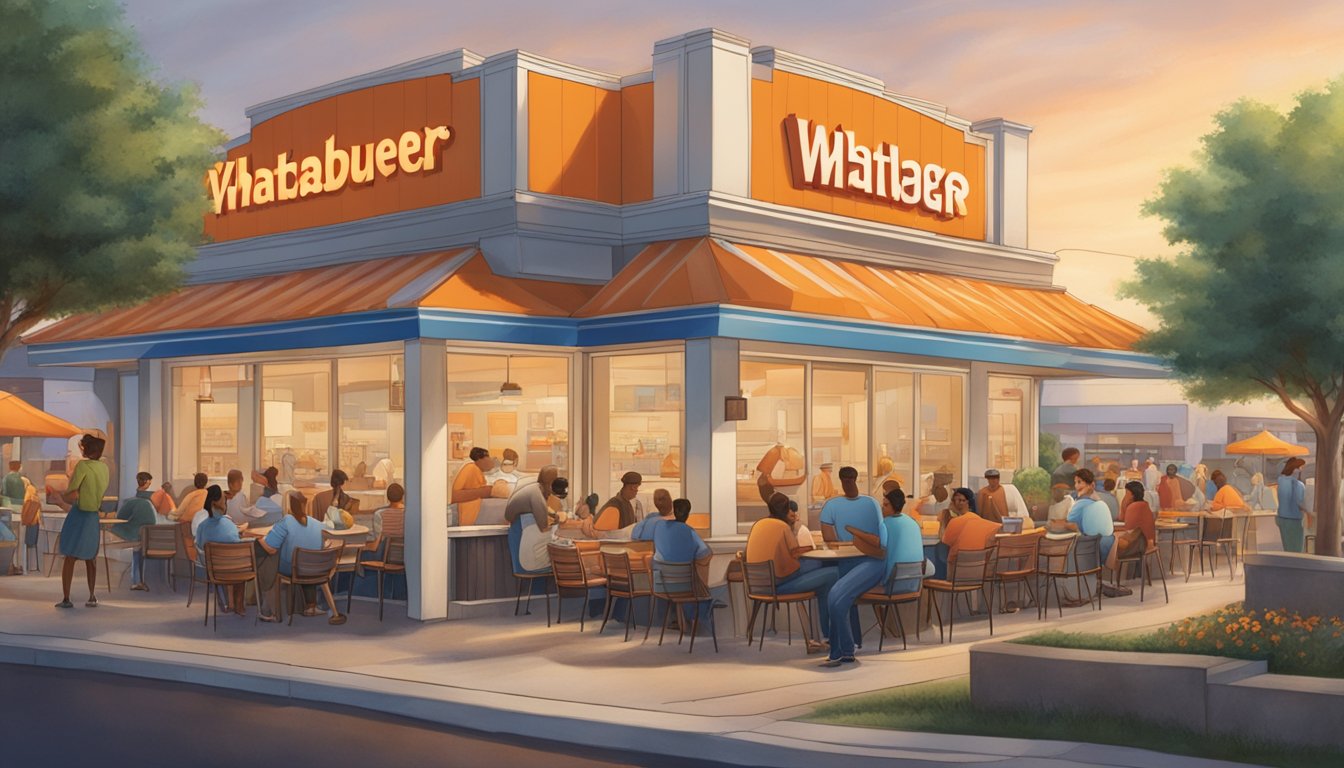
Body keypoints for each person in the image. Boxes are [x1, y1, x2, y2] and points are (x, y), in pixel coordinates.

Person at [818, 486, 913, 667]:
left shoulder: (887, 525)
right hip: (893, 575)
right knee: (837, 599)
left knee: (836, 598)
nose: (882, 508)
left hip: (880, 569)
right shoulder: (909, 523)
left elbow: (879, 549)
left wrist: (855, 534)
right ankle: (842, 651)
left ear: (893, 506)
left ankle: (843, 651)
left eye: (885, 505)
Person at [745, 493, 838, 654]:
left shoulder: (758, 525)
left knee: (822, 584)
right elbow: (795, 553)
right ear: (785, 509)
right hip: (779, 585)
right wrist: (812, 549)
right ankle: (830, 636)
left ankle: (820, 638)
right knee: (831, 571)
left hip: (759, 586)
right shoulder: (782, 527)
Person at [255, 493, 344, 624]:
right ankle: (310, 606)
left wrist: (258, 540)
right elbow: (332, 529)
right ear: (305, 505)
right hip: (314, 570)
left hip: (293, 569)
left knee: (269, 559)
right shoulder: (318, 524)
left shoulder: (286, 521)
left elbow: (271, 548)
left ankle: (271, 612)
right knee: (308, 558)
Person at [652, 498, 726, 627]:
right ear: (688, 514)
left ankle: (680, 619)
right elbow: (706, 553)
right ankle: (697, 617)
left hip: (660, 584)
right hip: (683, 587)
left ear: (673, 512)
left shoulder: (659, 527)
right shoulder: (689, 532)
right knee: (699, 568)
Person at [55, 434, 109, 609]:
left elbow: (71, 492)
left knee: (70, 556)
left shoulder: (82, 466)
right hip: (93, 516)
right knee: (90, 557)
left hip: (79, 515)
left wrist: (58, 495)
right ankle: (92, 596)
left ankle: (66, 598)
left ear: (86, 449)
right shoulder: (104, 468)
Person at [194, 485, 246, 614]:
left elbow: (200, 546)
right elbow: (236, 545)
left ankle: (226, 603)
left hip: (213, 569)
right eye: (224, 500)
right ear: (218, 503)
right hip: (233, 569)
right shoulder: (229, 524)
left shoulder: (202, 526)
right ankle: (238, 604)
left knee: (222, 565)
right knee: (239, 567)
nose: (226, 502)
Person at [1104, 481, 1156, 594]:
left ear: (1132, 494)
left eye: (1127, 493)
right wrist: (1124, 502)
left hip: (1136, 544)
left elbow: (1128, 526)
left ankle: (1106, 582)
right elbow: (1122, 518)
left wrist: (1125, 503)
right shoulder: (1143, 504)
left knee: (1107, 545)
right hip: (1140, 542)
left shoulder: (1135, 507)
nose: (1125, 495)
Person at [110, 471, 159, 591]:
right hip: (149, 536)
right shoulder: (153, 501)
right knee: (138, 550)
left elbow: (121, 518)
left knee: (137, 551)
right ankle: (138, 580)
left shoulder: (131, 502)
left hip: (136, 535)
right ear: (148, 483)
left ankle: (136, 580)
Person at [506, 465, 560, 571]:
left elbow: (545, 509)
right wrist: (558, 527)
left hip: (520, 536)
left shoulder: (535, 489)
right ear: (550, 484)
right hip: (527, 550)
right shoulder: (536, 496)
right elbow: (543, 528)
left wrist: (553, 515)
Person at [940, 488, 1000, 573]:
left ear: (968, 503)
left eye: (960, 500)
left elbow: (945, 541)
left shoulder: (955, 522)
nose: (956, 503)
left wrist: (944, 518)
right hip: (979, 574)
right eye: (954, 500)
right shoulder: (983, 522)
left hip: (956, 573)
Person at [451, 447, 494, 526]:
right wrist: (487, 491)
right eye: (488, 457)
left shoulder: (473, 468)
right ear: (480, 459)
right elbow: (456, 495)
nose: (490, 460)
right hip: (463, 507)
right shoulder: (472, 468)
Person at [1275, 457, 1307, 553]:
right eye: (1301, 468)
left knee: (1287, 549)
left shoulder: (1280, 480)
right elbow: (1300, 502)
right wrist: (1308, 511)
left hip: (1281, 518)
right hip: (1294, 519)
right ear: (1295, 469)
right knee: (1297, 550)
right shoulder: (1299, 485)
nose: (1301, 470)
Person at [366, 482, 406, 556]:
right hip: (403, 555)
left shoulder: (379, 514)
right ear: (402, 496)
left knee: (362, 554)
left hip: (385, 556)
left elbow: (376, 542)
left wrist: (363, 547)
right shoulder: (408, 513)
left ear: (388, 497)